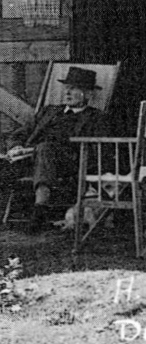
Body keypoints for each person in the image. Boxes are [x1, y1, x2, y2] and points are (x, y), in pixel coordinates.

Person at [5, 66, 110, 233]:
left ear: (88, 94)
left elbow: (97, 149)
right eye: (66, 88)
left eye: (74, 89)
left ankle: (40, 210)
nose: (67, 93)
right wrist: (15, 147)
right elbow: (20, 133)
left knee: (45, 149)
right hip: (30, 158)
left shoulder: (95, 118)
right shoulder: (49, 111)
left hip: (69, 163)